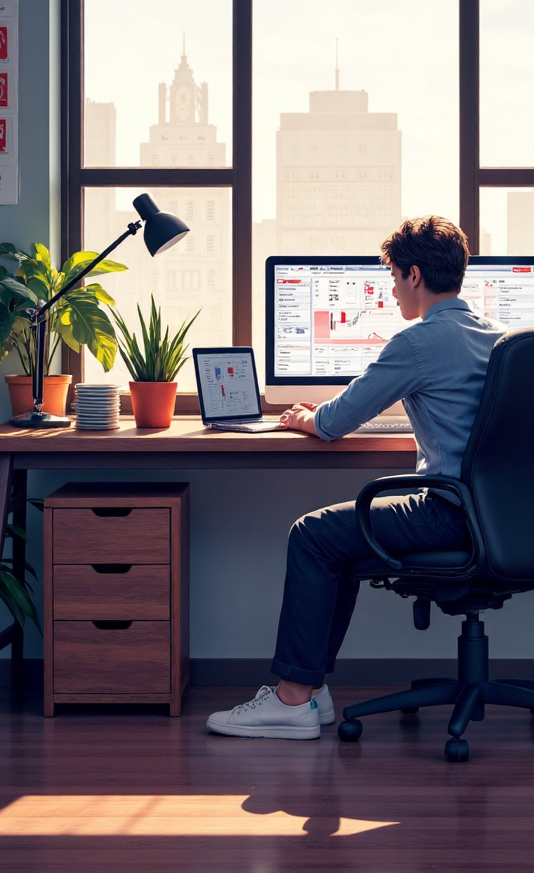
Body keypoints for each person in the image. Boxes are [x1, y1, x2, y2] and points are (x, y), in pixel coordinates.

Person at [207, 216, 505, 739]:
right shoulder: (496, 338)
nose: (390, 291)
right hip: (504, 516)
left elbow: (335, 423)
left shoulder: (418, 342)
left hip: (451, 513)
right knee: (338, 550)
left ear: (414, 275)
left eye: (393, 277)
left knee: (312, 534)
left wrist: (303, 418)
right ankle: (311, 692)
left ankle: (292, 697)